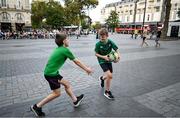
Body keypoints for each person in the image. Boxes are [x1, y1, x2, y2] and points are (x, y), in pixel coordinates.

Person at [30, 33, 93, 117]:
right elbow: (76, 61)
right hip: (51, 74)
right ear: (64, 41)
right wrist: (87, 69)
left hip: (52, 73)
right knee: (57, 93)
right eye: (67, 39)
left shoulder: (59, 49)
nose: (69, 40)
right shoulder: (65, 50)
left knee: (67, 84)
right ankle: (37, 106)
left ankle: (75, 100)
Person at [94, 28, 120, 100]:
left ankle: (102, 78)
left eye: (103, 36)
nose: (102, 38)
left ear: (107, 35)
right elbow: (96, 54)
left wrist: (118, 57)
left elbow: (116, 49)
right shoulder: (98, 44)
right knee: (110, 75)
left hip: (109, 60)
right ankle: (107, 92)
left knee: (109, 75)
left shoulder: (110, 42)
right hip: (102, 61)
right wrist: (104, 57)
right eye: (100, 36)